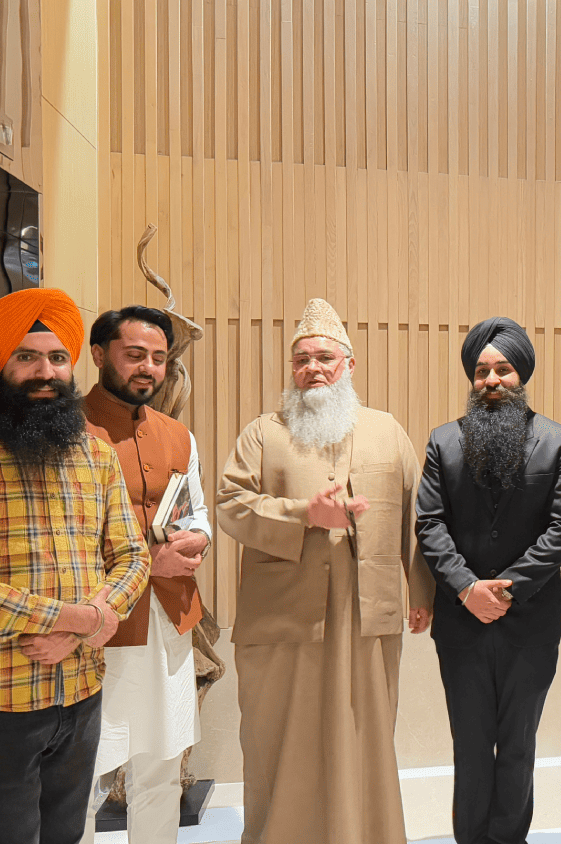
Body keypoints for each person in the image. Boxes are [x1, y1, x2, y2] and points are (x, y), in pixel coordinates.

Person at [0, 287, 149, 844]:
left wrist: (86, 623)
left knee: (67, 836)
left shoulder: (95, 454)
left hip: (82, 689)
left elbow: (131, 557)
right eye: (27, 357)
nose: (46, 372)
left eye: (57, 357)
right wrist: (79, 618)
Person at [217, 298, 433, 844]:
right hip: (285, 619)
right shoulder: (263, 433)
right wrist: (303, 515)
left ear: (349, 365)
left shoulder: (387, 430)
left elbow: (418, 516)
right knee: (281, 740)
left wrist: (422, 591)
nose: (312, 368)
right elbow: (230, 505)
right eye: (301, 360)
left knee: (365, 738)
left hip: (367, 619)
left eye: (324, 358)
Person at [415, 316, 561, 844]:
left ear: (522, 374)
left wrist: (505, 589)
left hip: (530, 626)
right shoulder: (443, 442)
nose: (492, 380)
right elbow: (429, 523)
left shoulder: (559, 442)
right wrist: (468, 589)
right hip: (461, 624)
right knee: (469, 748)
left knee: (517, 747)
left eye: (503, 369)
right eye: (482, 371)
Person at [80, 306, 212, 844]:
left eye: (158, 358)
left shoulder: (178, 434)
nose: (148, 368)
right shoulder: (68, 430)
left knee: (161, 767)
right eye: (135, 355)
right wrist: (145, 564)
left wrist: (198, 539)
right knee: (86, 771)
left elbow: (197, 513)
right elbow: (59, 539)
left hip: (169, 624)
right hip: (99, 627)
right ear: (98, 354)